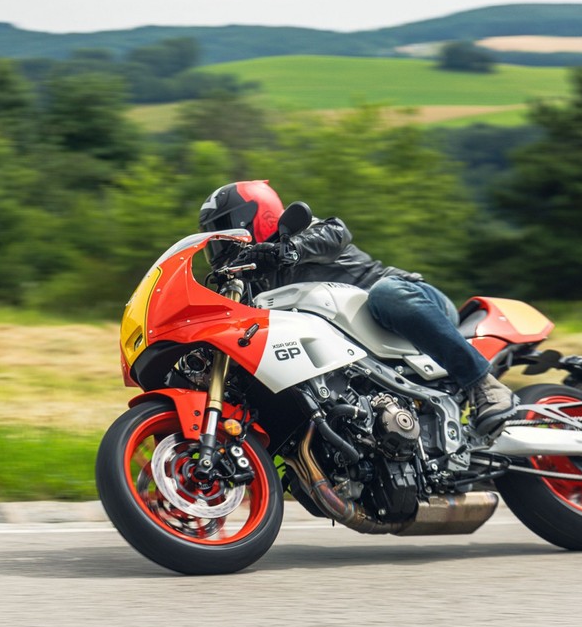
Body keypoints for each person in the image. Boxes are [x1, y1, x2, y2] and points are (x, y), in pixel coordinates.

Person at [197, 179, 517, 437]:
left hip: (408, 310)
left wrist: (286, 249)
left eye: (226, 227)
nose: (220, 241)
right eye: (213, 234)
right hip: (361, 352)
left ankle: (484, 385)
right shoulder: (255, 285)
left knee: (385, 293)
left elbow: (337, 232)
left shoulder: (302, 234)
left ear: (258, 216)